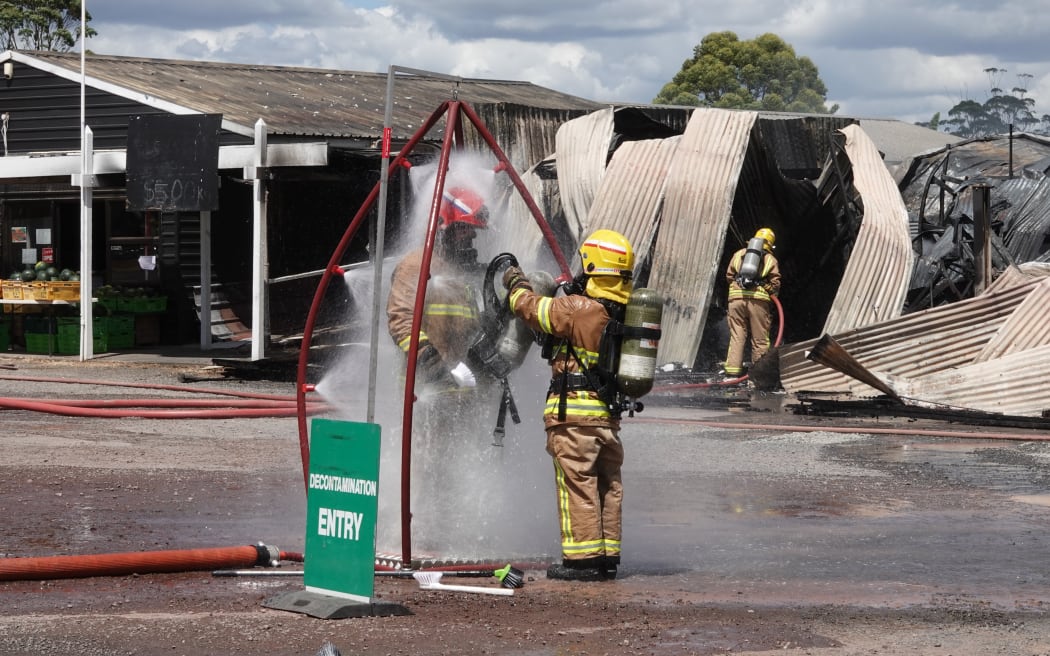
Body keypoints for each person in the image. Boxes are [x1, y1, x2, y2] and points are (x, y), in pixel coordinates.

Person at [501, 229, 634, 582]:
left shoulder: (577, 309)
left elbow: (530, 309)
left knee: (577, 486)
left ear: (593, 267)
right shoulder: (623, 312)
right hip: (607, 420)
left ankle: (581, 561)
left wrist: (515, 282)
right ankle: (607, 558)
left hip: (573, 418)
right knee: (609, 487)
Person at [386, 185, 497, 553]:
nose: (469, 238)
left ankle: (451, 532)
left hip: (463, 392)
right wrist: (432, 364)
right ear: (444, 226)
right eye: (463, 229)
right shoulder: (418, 265)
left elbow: (472, 328)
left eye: (473, 231)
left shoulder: (463, 273)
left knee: (456, 465)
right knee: (426, 465)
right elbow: (401, 320)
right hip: (425, 389)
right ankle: (417, 535)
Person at [723, 227, 781, 380]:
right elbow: (775, 284)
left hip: (736, 299)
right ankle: (758, 376)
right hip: (758, 302)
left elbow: (729, 276)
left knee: (737, 336)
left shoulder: (739, 254)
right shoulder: (770, 259)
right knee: (760, 339)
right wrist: (766, 287)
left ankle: (732, 373)